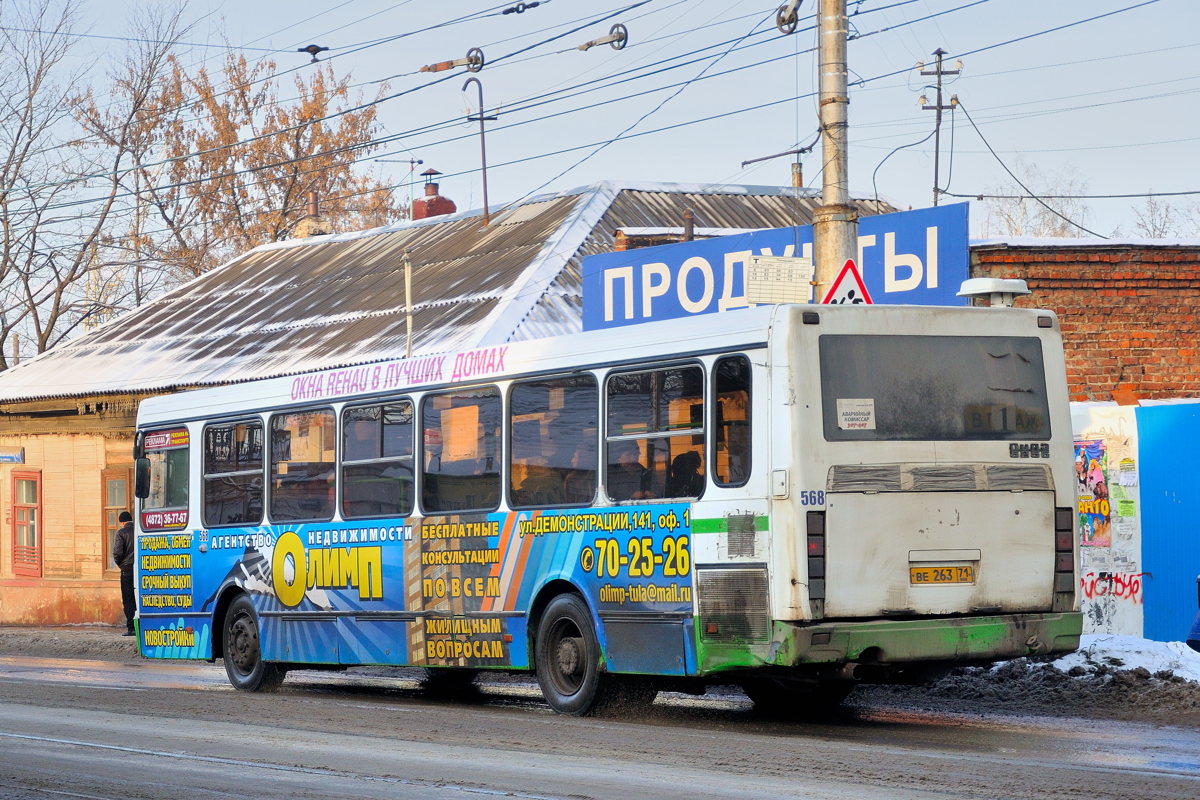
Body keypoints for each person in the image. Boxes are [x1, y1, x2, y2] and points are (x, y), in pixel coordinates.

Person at [112, 511, 136, 636]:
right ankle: (142, 627)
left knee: (128, 599)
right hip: (140, 570)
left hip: (127, 570)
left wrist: (121, 564)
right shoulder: (138, 531)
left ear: (122, 522)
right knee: (138, 598)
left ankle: (131, 628)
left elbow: (117, 553)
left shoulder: (121, 533)